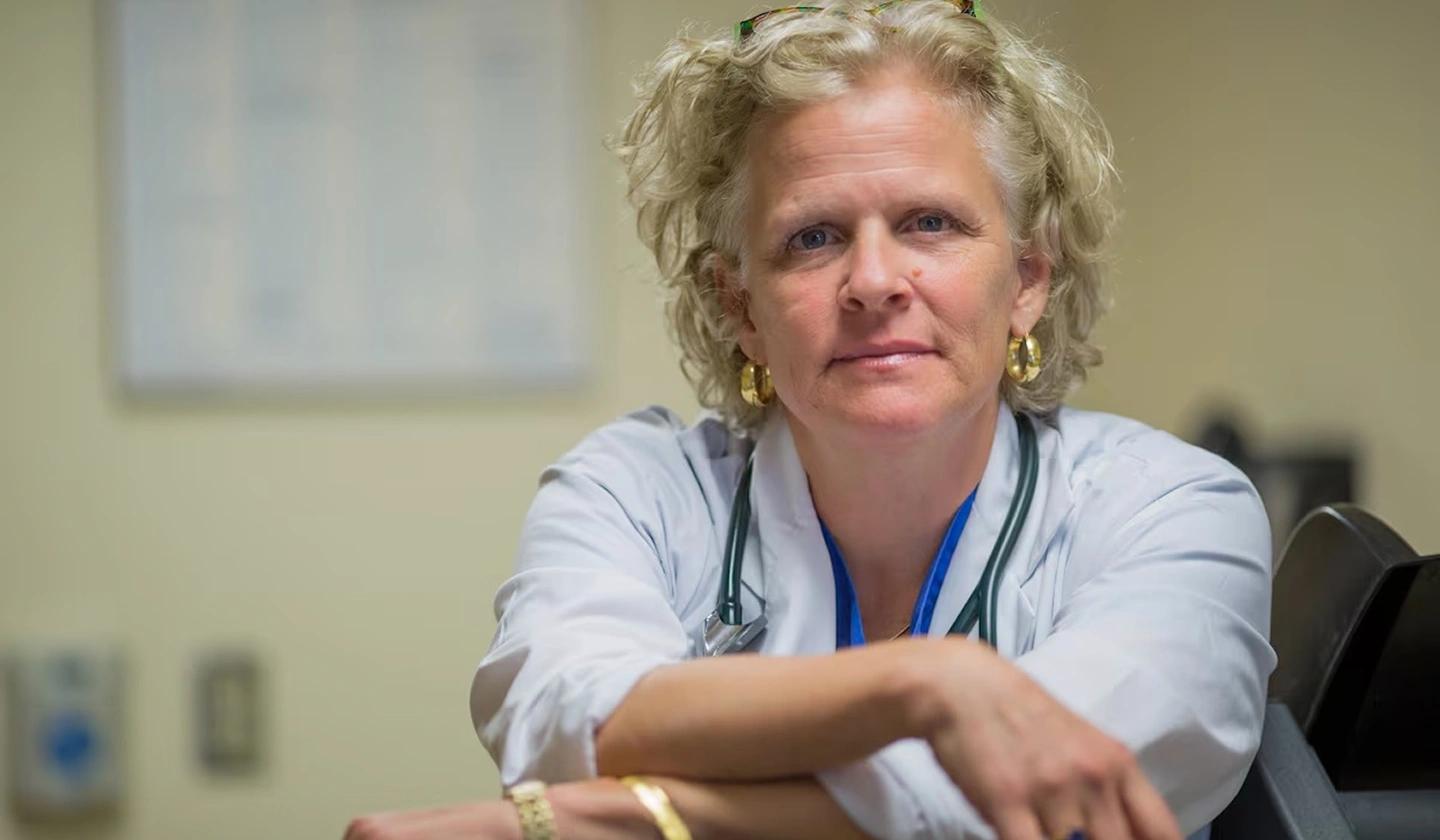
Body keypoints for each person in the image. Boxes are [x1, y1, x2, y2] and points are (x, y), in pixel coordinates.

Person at [345, 2, 1274, 838]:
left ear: (1028, 279)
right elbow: (571, 723)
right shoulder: (633, 493)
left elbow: (1053, 791)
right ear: (741, 306)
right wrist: (925, 686)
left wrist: (596, 824)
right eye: (813, 238)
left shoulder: (1173, 510)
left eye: (930, 223)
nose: (874, 282)